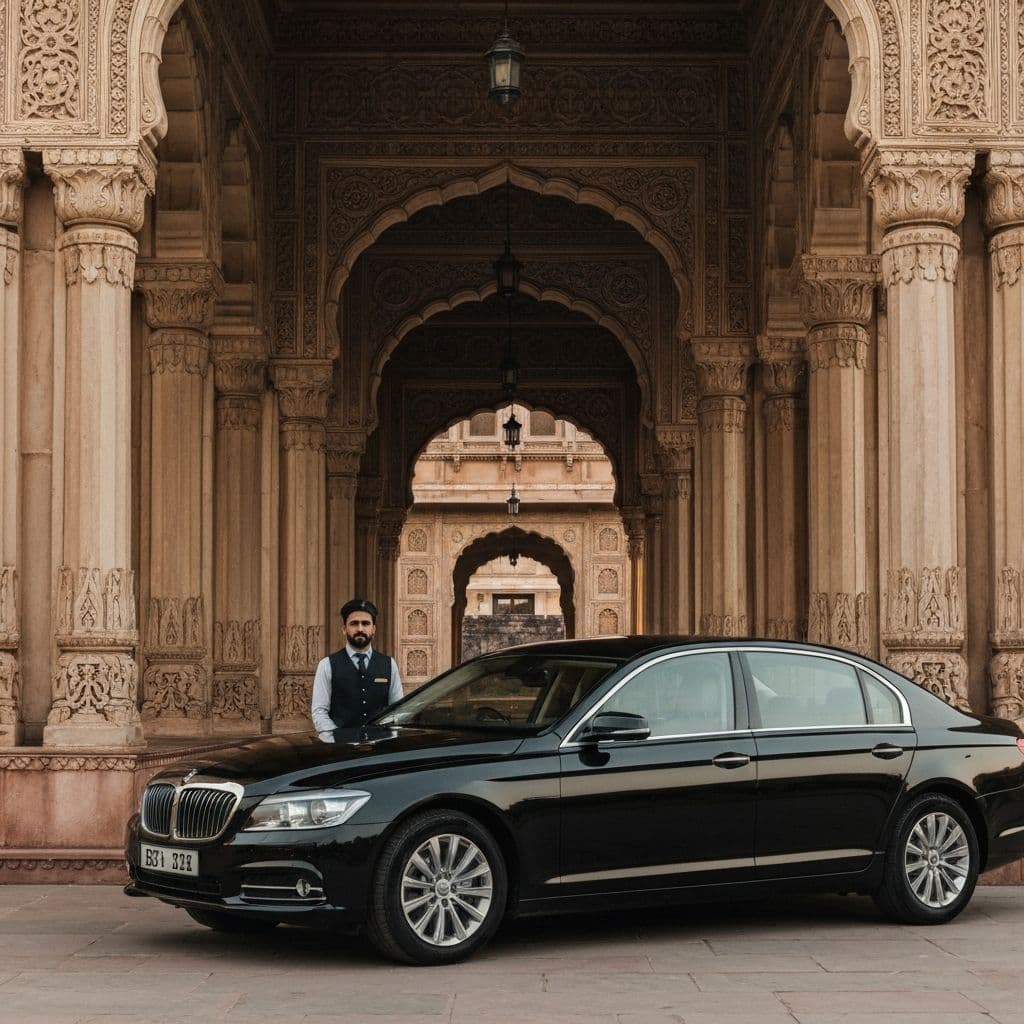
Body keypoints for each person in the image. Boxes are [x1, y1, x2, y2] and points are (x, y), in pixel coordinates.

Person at [311, 598, 403, 741]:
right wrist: (336, 738)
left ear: (374, 629)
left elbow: (397, 711)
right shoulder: (327, 665)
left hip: (380, 747)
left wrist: (388, 738)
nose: (360, 629)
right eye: (354, 623)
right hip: (341, 749)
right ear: (344, 629)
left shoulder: (389, 664)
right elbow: (319, 712)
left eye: (365, 623)